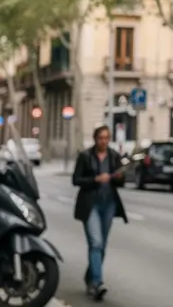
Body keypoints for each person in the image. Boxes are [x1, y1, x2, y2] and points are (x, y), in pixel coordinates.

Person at [72, 125, 129, 300]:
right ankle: (97, 283)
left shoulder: (114, 156)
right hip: (91, 205)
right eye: (101, 138)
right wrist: (95, 179)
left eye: (106, 138)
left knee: (101, 245)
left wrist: (119, 178)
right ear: (95, 139)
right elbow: (76, 179)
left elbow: (121, 183)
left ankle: (90, 277)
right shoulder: (85, 156)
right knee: (96, 243)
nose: (104, 141)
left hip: (109, 204)